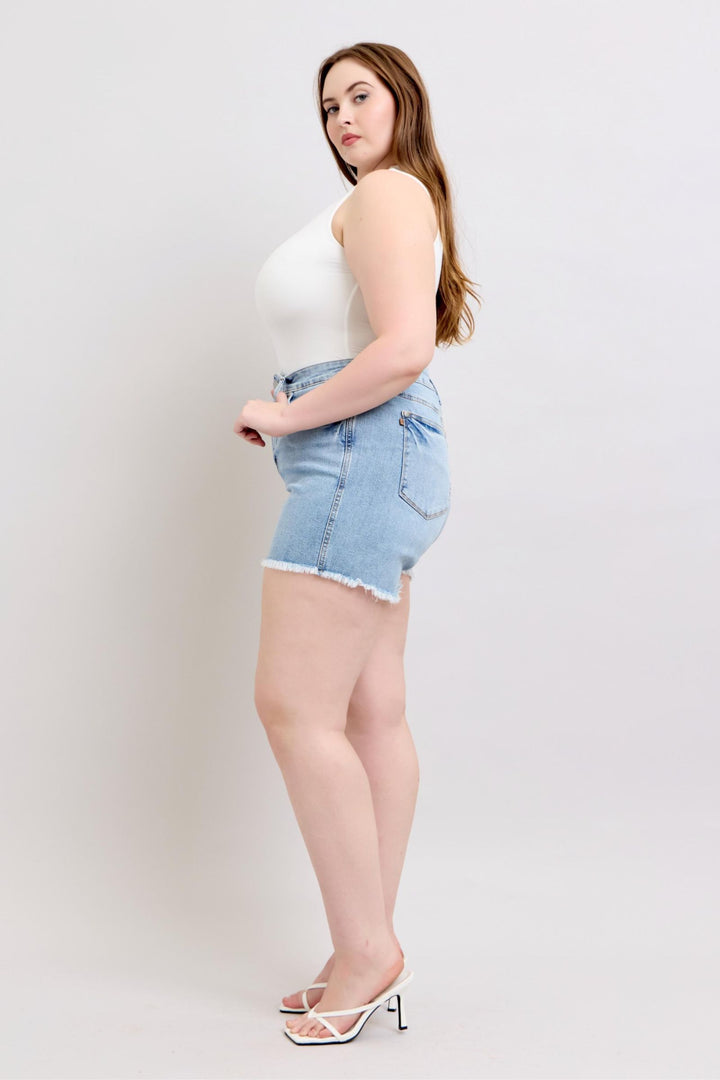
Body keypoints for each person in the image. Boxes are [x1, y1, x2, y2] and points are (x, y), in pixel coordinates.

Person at [233, 41, 481, 1045]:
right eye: (328, 105)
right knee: (372, 711)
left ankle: (369, 950)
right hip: (375, 452)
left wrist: (288, 417)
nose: (340, 116)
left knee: (294, 706)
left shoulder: (386, 193)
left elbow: (405, 347)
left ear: (402, 102)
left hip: (356, 450)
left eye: (360, 95)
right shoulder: (389, 198)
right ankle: (359, 949)